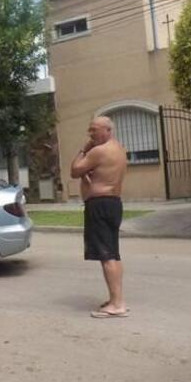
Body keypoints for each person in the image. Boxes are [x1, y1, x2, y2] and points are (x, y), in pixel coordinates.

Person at [70, 116, 128, 319]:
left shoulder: (98, 151)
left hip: (100, 205)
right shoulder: (119, 148)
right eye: (90, 130)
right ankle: (117, 299)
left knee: (106, 256)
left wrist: (83, 150)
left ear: (107, 130)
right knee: (113, 253)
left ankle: (117, 305)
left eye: (94, 130)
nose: (91, 134)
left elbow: (75, 170)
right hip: (113, 204)